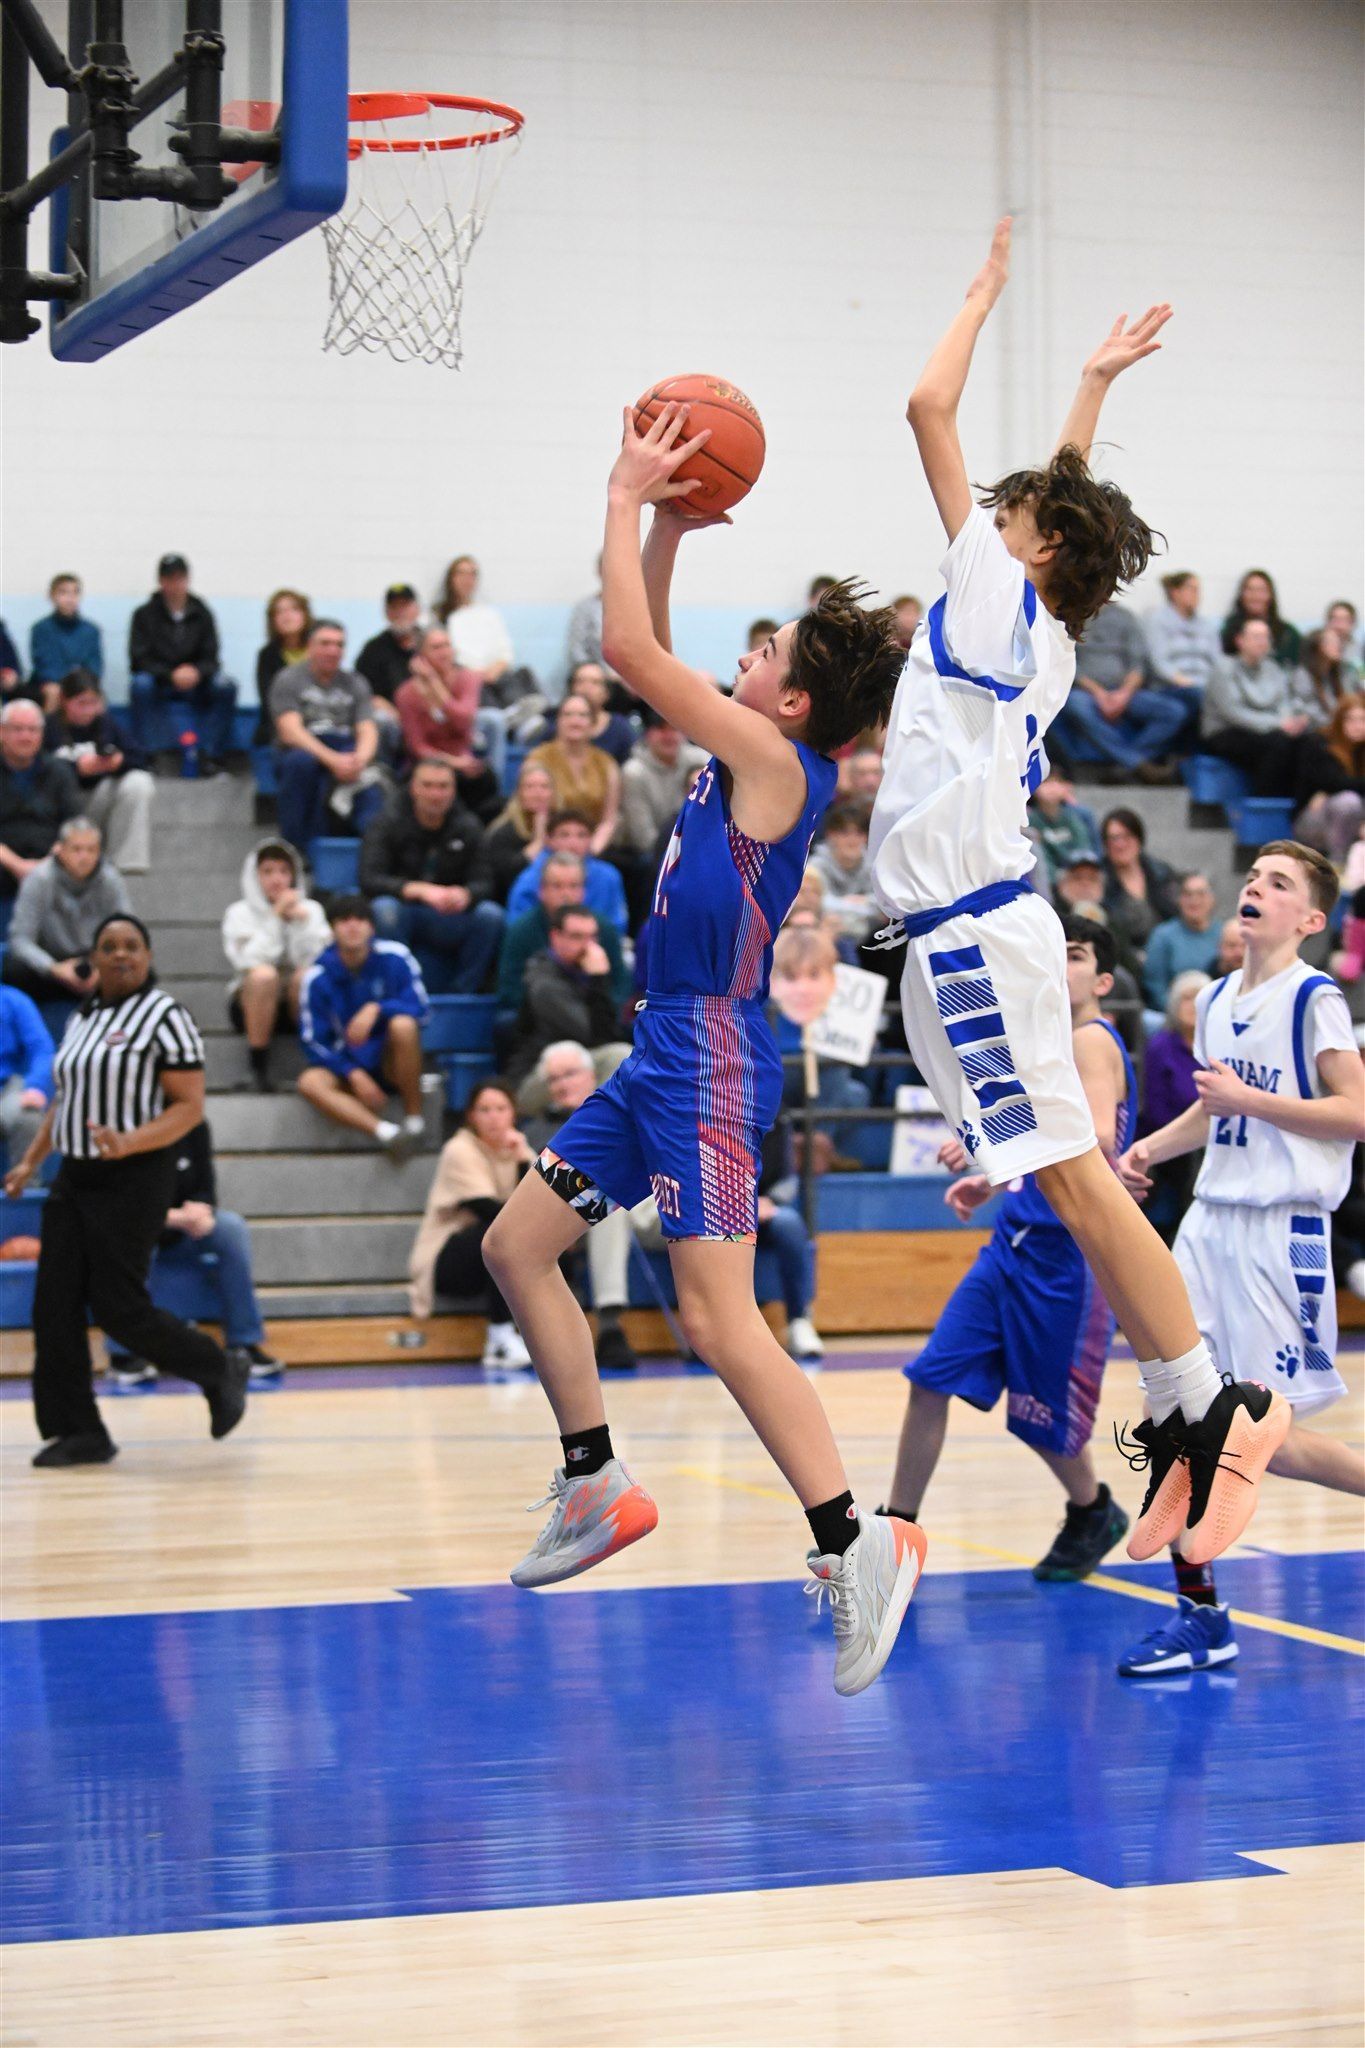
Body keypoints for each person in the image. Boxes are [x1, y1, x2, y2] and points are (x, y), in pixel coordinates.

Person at [868, 215, 1285, 1572]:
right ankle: (1185, 1412)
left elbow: (926, 406)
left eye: (1009, 517)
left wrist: (980, 293)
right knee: (1077, 1185)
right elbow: (1063, 504)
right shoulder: (1037, 627)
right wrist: (1091, 388)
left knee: (1083, 1185)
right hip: (973, 929)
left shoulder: (999, 599)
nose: (988, 520)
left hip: (972, 933)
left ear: (1033, 547)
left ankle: (1208, 1411)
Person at [481, 401, 911, 1699]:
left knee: (720, 1322)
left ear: (794, 699)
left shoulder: (775, 765)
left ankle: (856, 1539)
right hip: (662, 1049)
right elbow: (653, 644)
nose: (743, 656)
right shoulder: (745, 745)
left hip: (714, 1057)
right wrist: (668, 528)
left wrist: (624, 494)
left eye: (765, 650)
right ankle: (594, 1478)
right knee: (516, 1245)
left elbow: (624, 648)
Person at [1115, 842, 1364, 1674]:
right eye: (1253, 876)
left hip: (1277, 1228)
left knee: (1261, 1439)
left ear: (1310, 918)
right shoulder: (1217, 998)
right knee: (1176, 1415)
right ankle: (1200, 1615)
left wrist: (1248, 1099)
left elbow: (1356, 1112)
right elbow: (1215, 1112)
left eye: (1278, 883)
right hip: (1207, 1222)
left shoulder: (1313, 998)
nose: (1256, 887)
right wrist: (1149, 1148)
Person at [884, 920, 1134, 1578]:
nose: (1063, 965)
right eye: (1058, 953)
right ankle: (894, 1531)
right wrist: (995, 1174)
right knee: (929, 1379)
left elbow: (1098, 1138)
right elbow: (1045, 1146)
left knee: (1039, 1416)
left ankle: (1092, 1508)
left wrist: (990, 1145)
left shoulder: (1088, 1038)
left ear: (1103, 981)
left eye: (1077, 956)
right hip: (1013, 1241)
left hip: (1065, 1255)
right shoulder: (1046, 1042)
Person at [2, 912, 248, 1467]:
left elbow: (189, 1107)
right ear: (94, 957)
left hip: (135, 1176)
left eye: (132, 946)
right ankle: (79, 1430)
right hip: (75, 1175)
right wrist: (31, 1160)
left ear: (148, 956)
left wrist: (130, 1141)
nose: (120, 954)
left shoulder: (165, 1016)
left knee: (120, 1308)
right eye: (109, 946)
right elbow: (68, 1099)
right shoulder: (83, 1017)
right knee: (53, 1307)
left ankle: (217, 1367)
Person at [103, 1117, 283, 1388]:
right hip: (137, 1225)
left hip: (183, 1227)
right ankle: (123, 1354)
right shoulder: (125, 1124)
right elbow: (120, 1203)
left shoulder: (194, 1124)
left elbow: (204, 1187)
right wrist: (170, 1217)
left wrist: (200, 1210)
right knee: (129, 1237)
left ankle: (243, 1343)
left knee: (231, 1228)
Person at [408, 1079, 536, 1363]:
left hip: (490, 1251)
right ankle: (499, 1340)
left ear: (513, 1113)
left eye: (501, 1109)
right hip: (447, 1258)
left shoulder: (520, 1149)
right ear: (471, 1116)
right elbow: (489, 1211)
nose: (493, 1117)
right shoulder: (459, 1149)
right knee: (502, 1237)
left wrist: (521, 1161)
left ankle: (536, 1333)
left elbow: (539, 1208)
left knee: (547, 1245)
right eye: (484, 1110)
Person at [297, 895, 430, 1158]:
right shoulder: (317, 976)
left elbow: (422, 1009)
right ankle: (388, 1133)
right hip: (346, 1068)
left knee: (403, 1025)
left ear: (372, 927)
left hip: (390, 1060)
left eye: (360, 919)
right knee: (309, 1082)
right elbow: (313, 1041)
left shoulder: (396, 957)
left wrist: (377, 1008)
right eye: (344, 920)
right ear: (332, 929)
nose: (353, 926)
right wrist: (352, 1071)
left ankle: (414, 1120)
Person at [359, 758, 504, 993]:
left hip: (450, 913)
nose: (436, 794)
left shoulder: (468, 825)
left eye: (443, 786)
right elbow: (369, 878)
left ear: (453, 790)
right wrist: (415, 889)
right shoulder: (387, 822)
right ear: (413, 788)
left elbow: (485, 881)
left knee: (491, 915)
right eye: (427, 785)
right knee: (384, 909)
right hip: (405, 909)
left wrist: (466, 894)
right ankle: (399, 991)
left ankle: (463, 996)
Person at [222, 837, 330, 1092]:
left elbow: (317, 962)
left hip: (297, 1005)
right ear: (255, 876)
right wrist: (276, 917)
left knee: (306, 976)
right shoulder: (238, 913)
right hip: (250, 1005)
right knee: (263, 976)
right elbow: (248, 961)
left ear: (294, 876)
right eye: (268, 872)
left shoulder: (312, 911)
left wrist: (301, 924)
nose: (276, 879)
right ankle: (258, 1069)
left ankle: (316, 1064)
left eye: (283, 871)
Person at [269, 620, 384, 849]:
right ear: (310, 646)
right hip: (305, 747)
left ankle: (370, 848)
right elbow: (290, 731)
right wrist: (332, 760)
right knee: (300, 764)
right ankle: (297, 848)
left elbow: (367, 728)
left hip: (345, 746)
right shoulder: (288, 679)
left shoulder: (356, 682)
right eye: (325, 643)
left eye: (339, 645)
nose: (333, 650)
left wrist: (359, 760)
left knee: (373, 776)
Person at [1055, 598, 1188, 779]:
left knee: (1173, 711)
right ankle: (1137, 765)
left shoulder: (1125, 617)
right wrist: (1099, 694)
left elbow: (1138, 663)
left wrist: (1124, 694)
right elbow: (1066, 663)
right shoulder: (1071, 616)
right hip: (1085, 692)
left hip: (1126, 691)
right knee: (1076, 705)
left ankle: (1125, 765)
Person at [2, 817, 130, 1004]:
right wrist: (53, 968)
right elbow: (20, 939)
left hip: (95, 961)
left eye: (91, 850)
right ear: (60, 850)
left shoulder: (111, 880)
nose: (84, 857)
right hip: (50, 961)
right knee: (14, 968)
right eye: (77, 849)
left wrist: (100, 965)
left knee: (136, 969)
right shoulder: (39, 879)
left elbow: (126, 932)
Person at [128, 554, 237, 768]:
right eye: (169, 578)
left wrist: (196, 672)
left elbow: (212, 658)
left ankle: (211, 754)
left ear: (188, 579)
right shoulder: (143, 615)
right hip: (159, 682)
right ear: (160, 581)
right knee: (140, 685)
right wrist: (170, 674)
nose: (175, 584)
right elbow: (139, 659)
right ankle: (148, 754)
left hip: (198, 682)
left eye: (179, 578)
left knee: (225, 686)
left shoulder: (203, 613)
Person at [43, 669, 155, 874]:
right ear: (64, 701)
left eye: (93, 703)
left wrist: (117, 762)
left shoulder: (106, 723)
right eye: (81, 703)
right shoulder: (48, 726)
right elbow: (37, 765)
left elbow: (142, 756)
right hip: (62, 806)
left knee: (139, 781)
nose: (87, 710)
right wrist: (75, 768)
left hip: (98, 801)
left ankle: (126, 861)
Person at [508, 903, 625, 1082]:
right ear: (555, 937)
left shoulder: (584, 971)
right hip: (539, 1075)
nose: (588, 946)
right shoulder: (544, 984)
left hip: (577, 1065)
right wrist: (598, 979)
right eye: (577, 937)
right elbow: (596, 1038)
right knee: (617, 1056)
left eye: (593, 937)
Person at [392, 625, 500, 818]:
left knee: (486, 780)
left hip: (464, 760)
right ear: (421, 655)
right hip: (426, 765)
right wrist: (453, 762)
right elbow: (418, 747)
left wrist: (435, 685)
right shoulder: (406, 693)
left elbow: (463, 721)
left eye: (447, 645)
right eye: (436, 647)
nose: (444, 652)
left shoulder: (468, 678)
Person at [1201, 618, 1313, 797]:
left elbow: (1283, 702)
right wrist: (1278, 724)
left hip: (1269, 729)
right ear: (1240, 640)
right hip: (1226, 731)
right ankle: (1265, 802)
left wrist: (1291, 722)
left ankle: (1300, 803)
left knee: (1307, 742)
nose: (1262, 642)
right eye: (1256, 637)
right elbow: (1233, 712)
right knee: (1276, 745)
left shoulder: (1273, 668)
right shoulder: (1223, 668)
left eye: (1266, 637)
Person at [1139, 969, 1209, 1245]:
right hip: (1171, 1143)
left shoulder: (1216, 1046)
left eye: (1197, 999)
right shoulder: (1161, 1046)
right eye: (1185, 999)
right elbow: (1155, 1110)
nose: (1191, 1007)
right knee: (1193, 1165)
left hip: (1210, 1140)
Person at [0, 699, 80, 898]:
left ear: (42, 734)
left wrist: (45, 866)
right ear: (2, 732)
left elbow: (73, 826)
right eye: (17, 729)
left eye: (32, 730)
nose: (25, 736)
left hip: (53, 863)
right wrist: (19, 866)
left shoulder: (60, 772)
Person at [526, 693, 622, 854]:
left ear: (593, 723)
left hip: (591, 849)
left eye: (582, 715)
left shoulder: (606, 764)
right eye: (568, 714)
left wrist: (591, 850)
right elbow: (533, 814)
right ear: (558, 721)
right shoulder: (538, 759)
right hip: (546, 847)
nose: (575, 721)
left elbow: (609, 819)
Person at [506, 808, 628, 932]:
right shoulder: (530, 878)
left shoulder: (609, 876)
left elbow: (617, 924)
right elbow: (517, 926)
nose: (573, 843)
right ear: (549, 840)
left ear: (591, 839)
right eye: (564, 835)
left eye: (582, 835)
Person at [1098, 806, 1178, 960]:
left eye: (1127, 836)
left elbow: (1175, 915)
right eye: (1113, 838)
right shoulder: (1100, 878)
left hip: (1166, 950)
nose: (1120, 844)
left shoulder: (1161, 872)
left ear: (1139, 838)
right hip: (1123, 956)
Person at [1294, 694, 1365, 864]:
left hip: (1353, 818)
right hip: (1312, 820)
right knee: (1348, 802)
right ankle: (1336, 864)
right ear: (1339, 721)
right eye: (1350, 720)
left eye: (1362, 720)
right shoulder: (1320, 743)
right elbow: (1333, 781)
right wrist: (1331, 790)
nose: (1358, 726)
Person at [1141, 871, 1220, 1011]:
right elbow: (1155, 985)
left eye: (1201, 894)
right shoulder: (1162, 936)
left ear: (1212, 899)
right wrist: (1181, 1014)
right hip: (1171, 1013)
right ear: (1179, 899)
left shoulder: (1224, 934)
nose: (1194, 900)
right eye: (1187, 894)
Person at [434, 555, 514, 687]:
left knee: (524, 676)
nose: (467, 580)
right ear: (450, 578)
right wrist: (474, 675)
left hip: (496, 675)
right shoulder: (439, 615)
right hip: (464, 679)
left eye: (472, 574)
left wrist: (494, 671)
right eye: (461, 574)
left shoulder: (489, 613)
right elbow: (444, 657)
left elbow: (505, 652)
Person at [1143, 570, 1221, 701]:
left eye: (1198, 590)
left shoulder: (1206, 625)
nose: (1197, 595)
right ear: (1175, 592)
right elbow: (1158, 661)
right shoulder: (1158, 620)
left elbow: (1217, 660)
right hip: (1171, 686)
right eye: (1192, 589)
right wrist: (1185, 682)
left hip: (1204, 685)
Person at [484, 759, 555, 903]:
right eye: (530, 787)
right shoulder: (503, 832)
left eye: (544, 787)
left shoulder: (564, 827)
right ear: (519, 793)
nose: (538, 793)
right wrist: (539, 842)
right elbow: (507, 877)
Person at [0, 981, 54, 1164]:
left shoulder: (12, 999)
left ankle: (25, 1179)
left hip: (5, 1088)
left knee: (27, 1116)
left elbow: (42, 1050)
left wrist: (36, 1087)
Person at [29, 574, 103, 706]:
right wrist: (68, 683)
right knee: (53, 692)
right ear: (52, 596)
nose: (70, 599)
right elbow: (45, 666)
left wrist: (81, 682)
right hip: (51, 684)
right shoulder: (41, 629)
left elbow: (95, 666)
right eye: (63, 593)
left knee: (98, 698)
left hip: (82, 683)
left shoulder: (91, 630)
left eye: (75, 593)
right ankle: (49, 720)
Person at [808, 801, 877, 941]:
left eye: (859, 833)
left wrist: (857, 902)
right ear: (831, 835)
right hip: (830, 933)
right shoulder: (815, 866)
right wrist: (858, 903)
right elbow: (818, 904)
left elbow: (885, 905)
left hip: (872, 936)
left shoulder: (874, 865)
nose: (852, 841)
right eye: (845, 833)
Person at [254, 588, 313, 745]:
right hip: (280, 726)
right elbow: (269, 700)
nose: (287, 616)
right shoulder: (267, 655)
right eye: (279, 612)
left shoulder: (320, 649)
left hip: (320, 720)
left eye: (294, 609)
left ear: (305, 614)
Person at [1027, 771, 1100, 886]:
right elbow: (1042, 860)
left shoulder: (1078, 815)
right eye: (1046, 782)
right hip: (1051, 882)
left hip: (1081, 871)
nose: (1052, 788)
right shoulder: (1030, 820)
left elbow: (1086, 847)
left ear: (1067, 787)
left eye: (1057, 782)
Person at [1220, 567, 1301, 668]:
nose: (1255, 596)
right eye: (1250, 590)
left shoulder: (1288, 635)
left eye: (1261, 590)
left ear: (1270, 595)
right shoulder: (1229, 632)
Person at [357, 583, 424, 701]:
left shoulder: (432, 643)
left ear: (417, 609)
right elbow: (364, 691)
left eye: (404, 606)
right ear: (386, 613)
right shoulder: (373, 649)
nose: (400, 612)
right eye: (394, 607)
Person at [561, 660, 637, 765]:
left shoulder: (621, 729)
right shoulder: (554, 724)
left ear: (606, 693)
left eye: (595, 682)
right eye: (580, 681)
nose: (586, 688)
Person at [1292, 626, 1352, 729]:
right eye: (1332, 642)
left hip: (1338, 727)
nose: (1338, 645)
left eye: (1338, 641)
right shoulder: (1303, 674)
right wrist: (1337, 724)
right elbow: (1306, 709)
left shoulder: (1338, 672)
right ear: (1317, 647)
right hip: (1315, 730)